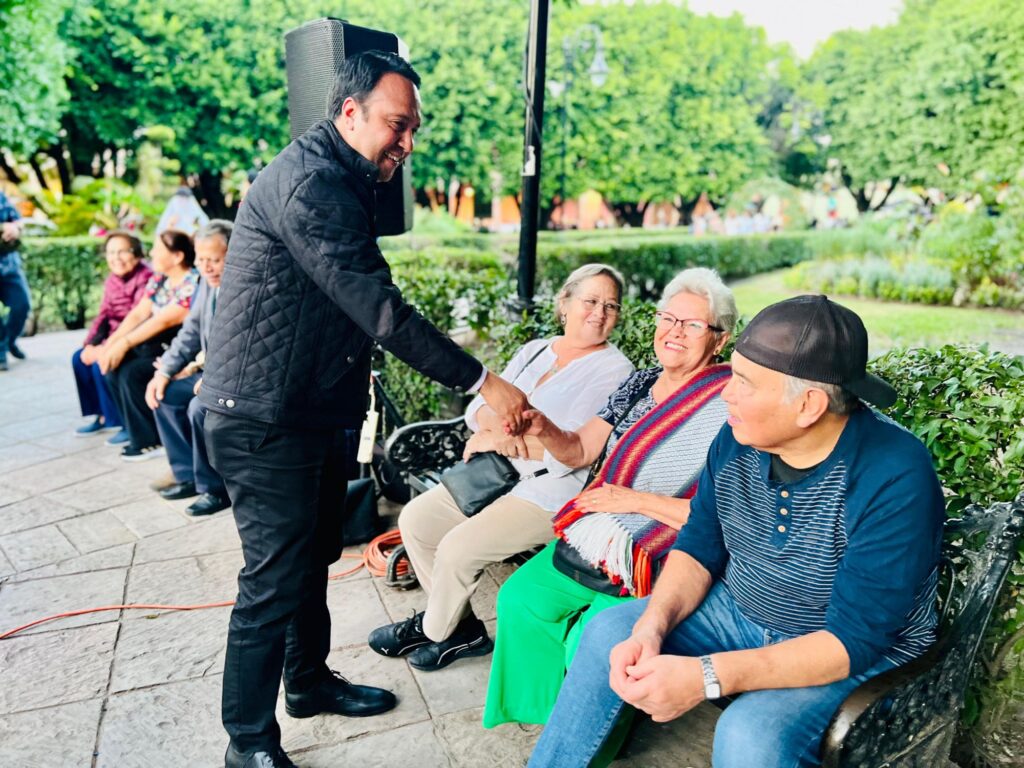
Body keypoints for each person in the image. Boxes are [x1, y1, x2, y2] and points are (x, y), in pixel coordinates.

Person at [198, 51, 531, 768]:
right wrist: (483, 381)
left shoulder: (339, 176)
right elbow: (378, 308)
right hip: (263, 419)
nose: (406, 143)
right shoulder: (313, 183)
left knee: (311, 559)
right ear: (349, 112)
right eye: (396, 124)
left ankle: (307, 683)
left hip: (305, 412)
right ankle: (247, 744)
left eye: (413, 129)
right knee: (271, 582)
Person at [527, 295, 945, 768]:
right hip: (738, 609)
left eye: (744, 382)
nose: (726, 392)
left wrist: (707, 676)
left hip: (846, 648)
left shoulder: (894, 472)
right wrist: (652, 625)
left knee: (751, 733)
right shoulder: (738, 436)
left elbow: (853, 640)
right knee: (609, 632)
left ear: (808, 405)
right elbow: (699, 545)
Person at [482, 267, 736, 729]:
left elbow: (724, 519)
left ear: (719, 340)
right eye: (668, 318)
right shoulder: (639, 384)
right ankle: (550, 719)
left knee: (593, 642)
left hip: (666, 556)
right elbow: (579, 450)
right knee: (519, 599)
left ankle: (591, 736)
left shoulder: (730, 408)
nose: (675, 332)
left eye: (693, 324)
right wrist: (544, 428)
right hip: (600, 535)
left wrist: (634, 501)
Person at [368, 264, 635, 672]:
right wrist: (501, 432)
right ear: (564, 303)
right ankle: (460, 630)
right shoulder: (536, 350)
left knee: (457, 549)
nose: (600, 312)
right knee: (417, 521)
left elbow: (572, 450)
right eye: (591, 301)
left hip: (550, 494)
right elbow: (478, 408)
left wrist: (497, 437)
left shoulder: (615, 370)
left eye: (611, 305)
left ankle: (435, 630)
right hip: (492, 475)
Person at [144, 220, 232, 516]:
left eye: (215, 260)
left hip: (232, 377)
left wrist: (212, 378)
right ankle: (187, 476)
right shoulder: (206, 283)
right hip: (209, 373)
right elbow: (191, 331)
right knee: (164, 394)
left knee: (199, 408)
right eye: (201, 260)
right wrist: (164, 372)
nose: (206, 268)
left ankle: (215, 490)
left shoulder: (244, 284)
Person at [99, 229, 198, 461]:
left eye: (157, 249)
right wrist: (111, 344)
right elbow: (139, 313)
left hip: (178, 350)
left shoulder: (192, 282)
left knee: (132, 373)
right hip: (154, 345)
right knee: (114, 367)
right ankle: (134, 430)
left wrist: (124, 344)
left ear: (177, 256)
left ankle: (150, 440)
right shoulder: (159, 278)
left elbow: (163, 321)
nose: (151, 253)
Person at [72, 232, 153, 437]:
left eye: (122, 252)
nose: (116, 258)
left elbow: (137, 319)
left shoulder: (146, 277)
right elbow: (104, 315)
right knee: (80, 358)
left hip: (136, 339)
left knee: (102, 362)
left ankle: (123, 422)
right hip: (112, 337)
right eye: (111, 252)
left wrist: (105, 347)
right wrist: (90, 344)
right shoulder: (112, 281)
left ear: (136, 253)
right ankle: (102, 415)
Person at [0, 190, 30, 372]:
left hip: (9, 265)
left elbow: (18, 220)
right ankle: (1, 351)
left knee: (22, 305)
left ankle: (9, 341)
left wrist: (15, 228)